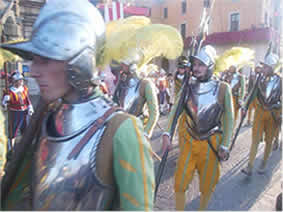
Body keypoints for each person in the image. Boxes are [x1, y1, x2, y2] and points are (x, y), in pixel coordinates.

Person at [0, 0, 154, 210]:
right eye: (34, 60)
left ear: (79, 61)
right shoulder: (48, 119)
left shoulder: (121, 130)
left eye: (45, 60)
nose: (34, 71)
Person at [162, 45, 234, 210]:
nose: (196, 68)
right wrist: (167, 133)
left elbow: (229, 118)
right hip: (189, 141)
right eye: (195, 64)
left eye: (201, 64)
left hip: (211, 142)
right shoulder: (187, 86)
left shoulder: (222, 88)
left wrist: (225, 144)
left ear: (210, 66)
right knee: (180, 184)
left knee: (207, 185)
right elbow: (175, 111)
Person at [241, 52, 281, 176]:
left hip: (273, 113)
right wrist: (245, 106)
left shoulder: (280, 80)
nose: (263, 69)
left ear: (272, 67)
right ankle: (250, 165)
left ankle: (264, 162)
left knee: (269, 139)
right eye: (263, 66)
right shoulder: (259, 78)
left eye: (266, 67)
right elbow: (252, 93)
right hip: (259, 111)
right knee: (255, 140)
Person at [1, 71, 33, 157]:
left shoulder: (24, 89)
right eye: (19, 81)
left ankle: (25, 148)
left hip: (24, 112)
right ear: (15, 81)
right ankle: (11, 149)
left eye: (21, 80)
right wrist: (5, 100)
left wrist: (30, 107)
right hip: (15, 113)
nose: (21, 82)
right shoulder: (9, 91)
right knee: (13, 131)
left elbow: (27, 99)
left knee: (25, 130)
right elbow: (3, 105)